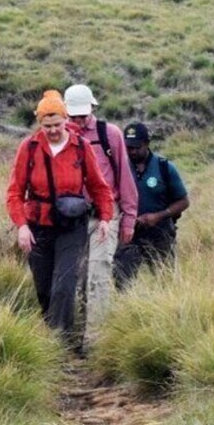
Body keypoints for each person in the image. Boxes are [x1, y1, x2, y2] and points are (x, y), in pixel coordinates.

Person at [6, 90, 114, 351]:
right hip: (38, 227)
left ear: (66, 120)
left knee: (64, 286)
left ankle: (58, 347)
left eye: (57, 125)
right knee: (44, 290)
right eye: (47, 126)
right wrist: (21, 226)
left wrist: (105, 218)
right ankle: (52, 333)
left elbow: (99, 186)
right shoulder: (29, 148)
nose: (53, 131)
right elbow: (14, 192)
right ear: (39, 124)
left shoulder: (81, 147)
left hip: (70, 228)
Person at [63, 84, 138, 341]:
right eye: (73, 116)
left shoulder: (110, 135)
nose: (78, 120)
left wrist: (128, 219)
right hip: (71, 219)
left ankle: (95, 342)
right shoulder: (58, 136)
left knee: (100, 272)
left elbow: (125, 178)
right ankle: (76, 334)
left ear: (93, 108)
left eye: (82, 115)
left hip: (105, 216)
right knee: (78, 276)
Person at [113, 122, 189, 289]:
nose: (132, 152)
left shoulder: (164, 167)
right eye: (128, 147)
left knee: (165, 281)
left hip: (160, 233)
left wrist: (158, 216)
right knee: (122, 282)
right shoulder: (119, 168)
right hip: (128, 234)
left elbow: (183, 201)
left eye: (137, 147)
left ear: (147, 143)